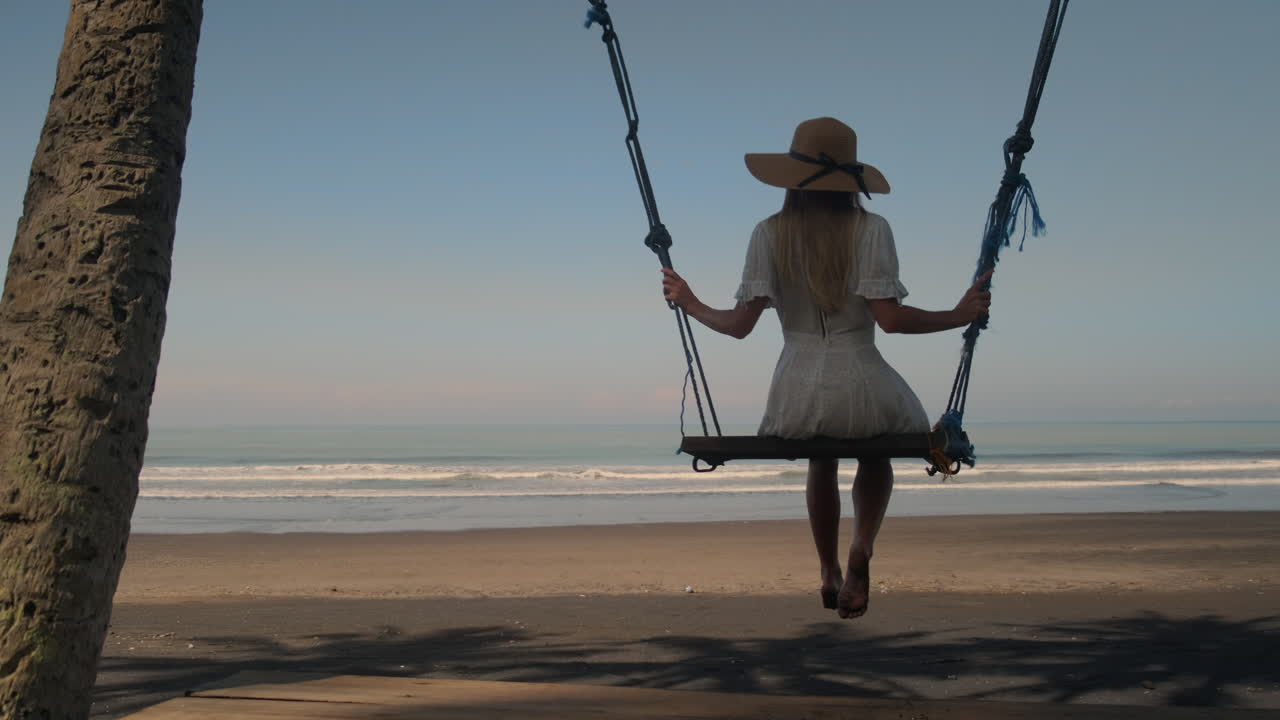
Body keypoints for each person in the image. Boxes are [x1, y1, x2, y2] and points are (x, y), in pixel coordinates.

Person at [660, 117, 991, 619]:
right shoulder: (872, 229)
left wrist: (690, 302)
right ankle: (862, 543)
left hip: (796, 393)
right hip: (863, 380)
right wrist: (958, 316)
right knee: (876, 451)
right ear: (850, 181)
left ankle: (828, 570)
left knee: (821, 459)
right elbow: (893, 321)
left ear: (792, 178)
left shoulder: (769, 234)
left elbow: (738, 327)